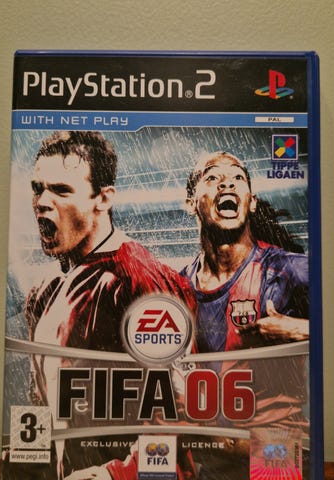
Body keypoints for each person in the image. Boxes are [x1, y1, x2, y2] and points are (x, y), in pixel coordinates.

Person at [18, 131, 196, 480]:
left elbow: (181, 412)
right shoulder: (43, 293)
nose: (42, 201)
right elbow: (40, 405)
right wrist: (26, 460)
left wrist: (115, 474)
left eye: (61, 190)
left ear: (103, 198)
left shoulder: (136, 275)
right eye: (38, 188)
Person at [181, 151, 310, 476]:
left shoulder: (287, 270)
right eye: (212, 176)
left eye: (238, 177)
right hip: (211, 464)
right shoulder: (178, 287)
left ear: (251, 202)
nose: (227, 182)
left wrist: (300, 330)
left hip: (275, 457)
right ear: (191, 203)